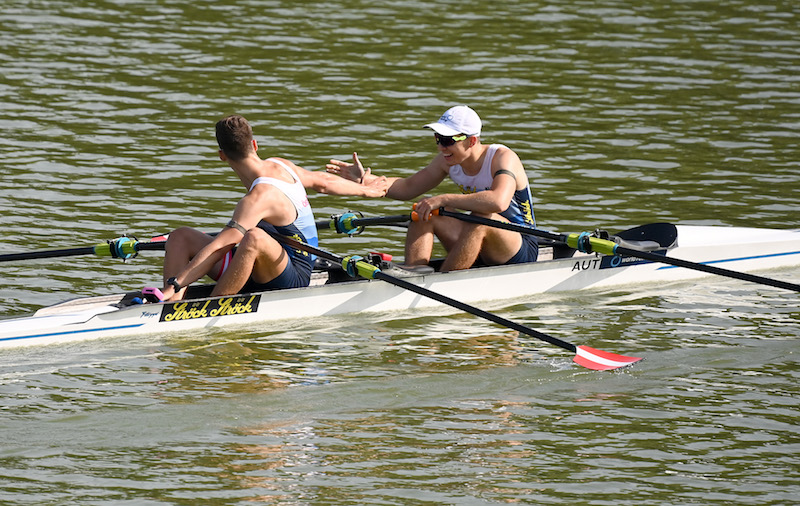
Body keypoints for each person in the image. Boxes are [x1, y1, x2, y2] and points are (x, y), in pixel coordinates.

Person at [152, 114, 388, 302]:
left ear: (222, 156)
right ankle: (170, 306)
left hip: (293, 273)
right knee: (179, 236)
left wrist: (175, 282)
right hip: (255, 265)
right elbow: (323, 182)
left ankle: (213, 307)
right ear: (255, 144)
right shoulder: (280, 164)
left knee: (253, 236)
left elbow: (220, 247)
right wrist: (366, 189)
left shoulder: (258, 198)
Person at [326, 105, 537, 272]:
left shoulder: (502, 158)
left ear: (472, 141)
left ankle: (445, 282)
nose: (440, 147)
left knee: (482, 215)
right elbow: (408, 187)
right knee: (424, 209)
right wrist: (366, 180)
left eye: (447, 140)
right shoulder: (448, 160)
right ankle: (415, 270)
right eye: (437, 139)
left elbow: (498, 201)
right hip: (477, 240)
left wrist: (444, 198)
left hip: (520, 245)